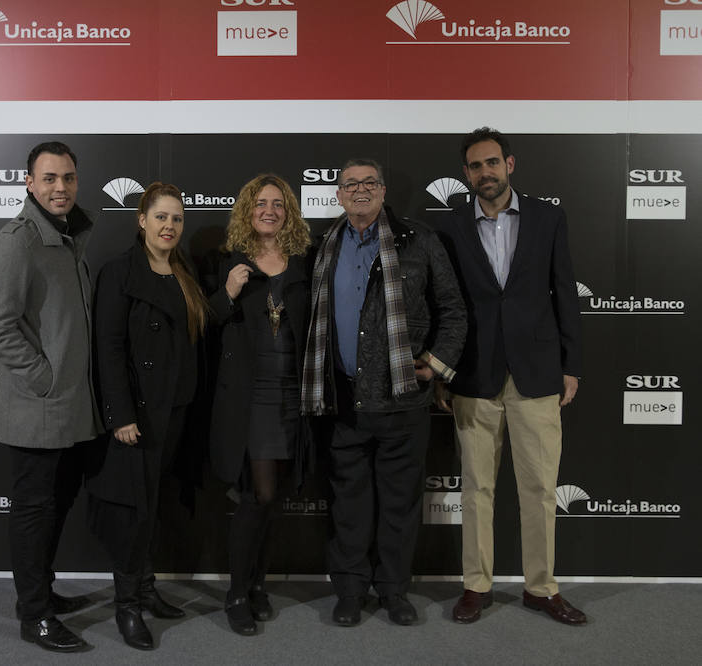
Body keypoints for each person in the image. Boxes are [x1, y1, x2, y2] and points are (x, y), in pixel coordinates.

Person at [301, 158, 466, 627]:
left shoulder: (420, 241)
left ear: (383, 190)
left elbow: (453, 309)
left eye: (368, 183)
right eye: (349, 184)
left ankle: (394, 591)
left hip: (402, 402)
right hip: (342, 400)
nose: (359, 191)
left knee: (399, 506)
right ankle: (350, 591)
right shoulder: (323, 247)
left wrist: (436, 363)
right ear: (337, 195)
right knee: (348, 507)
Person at [434, 127, 585, 625]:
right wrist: (442, 372)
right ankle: (476, 586)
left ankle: (541, 588)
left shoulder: (548, 218)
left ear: (510, 165)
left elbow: (565, 292)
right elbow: (442, 306)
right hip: (474, 376)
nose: (485, 173)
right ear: (466, 174)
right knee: (476, 488)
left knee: (540, 489)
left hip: (538, 375)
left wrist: (571, 365)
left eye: (492, 163)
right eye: (475, 166)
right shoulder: (450, 225)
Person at [0, 141, 99, 653]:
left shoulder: (70, 238)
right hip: (37, 406)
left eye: (68, 178)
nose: (60, 187)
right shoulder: (17, 241)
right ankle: (34, 615)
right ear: (29, 183)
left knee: (55, 506)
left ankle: (41, 593)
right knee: (33, 510)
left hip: (70, 408)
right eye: (49, 178)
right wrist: (44, 377)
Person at [87, 182, 207, 650]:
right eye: (161, 217)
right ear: (141, 220)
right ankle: (126, 606)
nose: (170, 226)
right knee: (133, 511)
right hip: (137, 414)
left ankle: (146, 587)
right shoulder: (119, 272)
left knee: (153, 506)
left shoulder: (183, 271)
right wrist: (119, 414)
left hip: (175, 409)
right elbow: (108, 347)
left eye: (177, 218)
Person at [205, 174, 312, 635]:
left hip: (296, 393)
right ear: (247, 211)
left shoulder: (305, 264)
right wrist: (227, 291)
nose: (269, 210)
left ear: (288, 211)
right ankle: (236, 592)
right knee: (259, 494)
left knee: (276, 498)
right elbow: (204, 323)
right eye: (260, 203)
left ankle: (257, 586)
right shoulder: (228, 263)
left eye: (278, 203)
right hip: (253, 397)